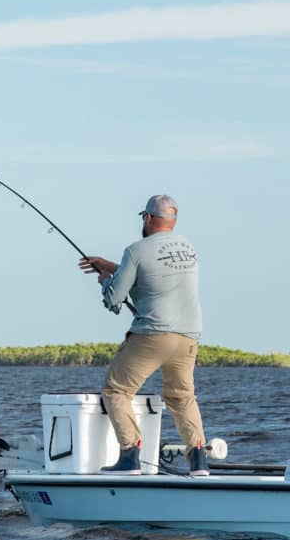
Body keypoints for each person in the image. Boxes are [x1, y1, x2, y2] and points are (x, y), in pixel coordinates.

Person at [79, 194, 209, 476]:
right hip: (188, 336)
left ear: (148, 218)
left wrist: (104, 280)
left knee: (116, 391)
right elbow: (156, 276)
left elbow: (115, 298)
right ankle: (199, 460)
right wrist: (112, 266)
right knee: (182, 397)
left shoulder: (136, 250)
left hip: (152, 335)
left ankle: (130, 454)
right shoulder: (188, 248)